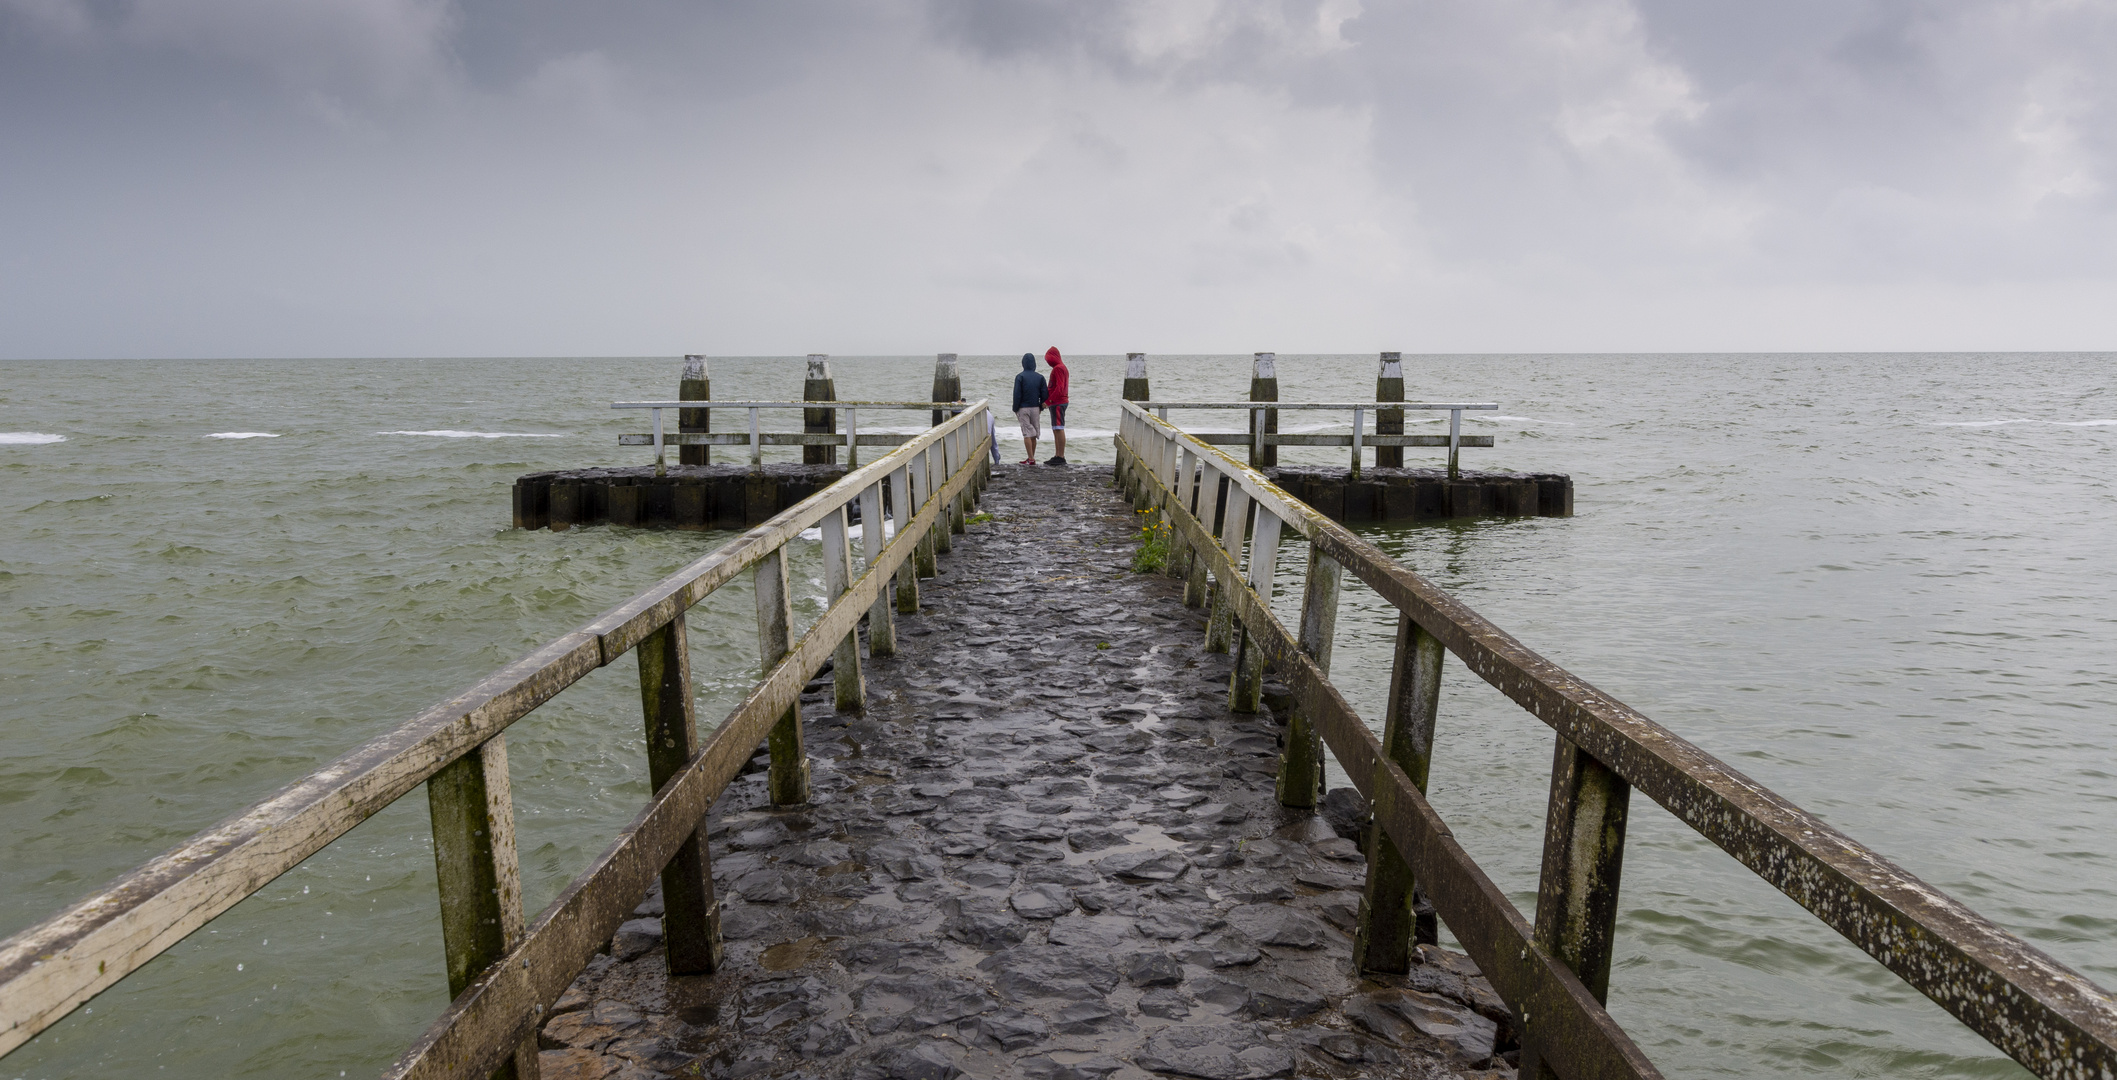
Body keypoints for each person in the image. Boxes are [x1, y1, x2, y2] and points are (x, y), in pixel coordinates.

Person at [1011, 352, 1047, 464]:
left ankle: (1031, 458)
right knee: (1034, 433)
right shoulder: (1040, 377)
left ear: (1023, 364)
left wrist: (1015, 408)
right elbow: (1045, 394)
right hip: (1036, 408)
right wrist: (1041, 406)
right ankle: (1031, 457)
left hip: (1023, 408)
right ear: (1034, 364)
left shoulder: (1020, 377)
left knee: (1027, 433)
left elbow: (1017, 394)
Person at [1042, 346, 1070, 465]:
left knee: (1059, 428)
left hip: (1058, 402)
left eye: (1048, 360)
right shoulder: (1062, 368)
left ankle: (1061, 456)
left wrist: (1049, 402)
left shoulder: (1058, 369)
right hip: (1058, 402)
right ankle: (1058, 454)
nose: (1048, 362)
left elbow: (1059, 388)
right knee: (1056, 429)